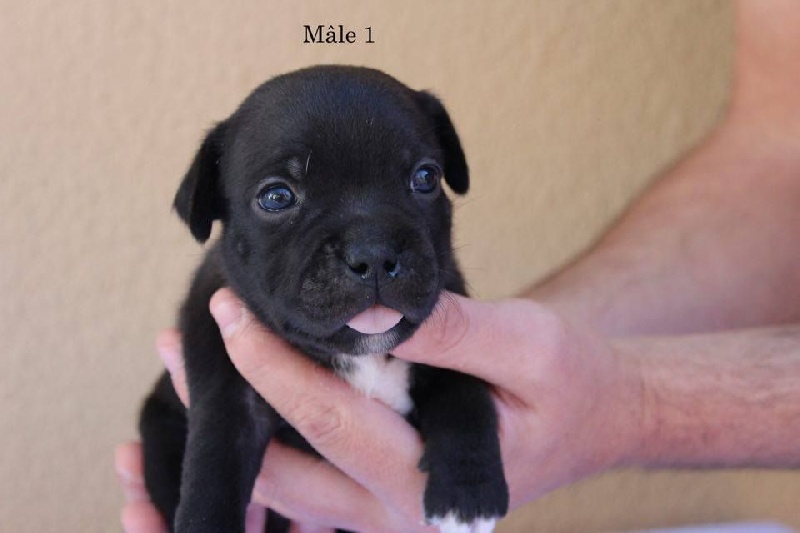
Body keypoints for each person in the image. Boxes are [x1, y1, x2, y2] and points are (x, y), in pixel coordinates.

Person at [116, 1, 800, 531]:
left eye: (419, 181)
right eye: (279, 196)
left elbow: (457, 388)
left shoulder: (442, 306)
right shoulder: (222, 315)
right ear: (214, 210)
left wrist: (627, 403)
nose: (371, 250)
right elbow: (780, 141)